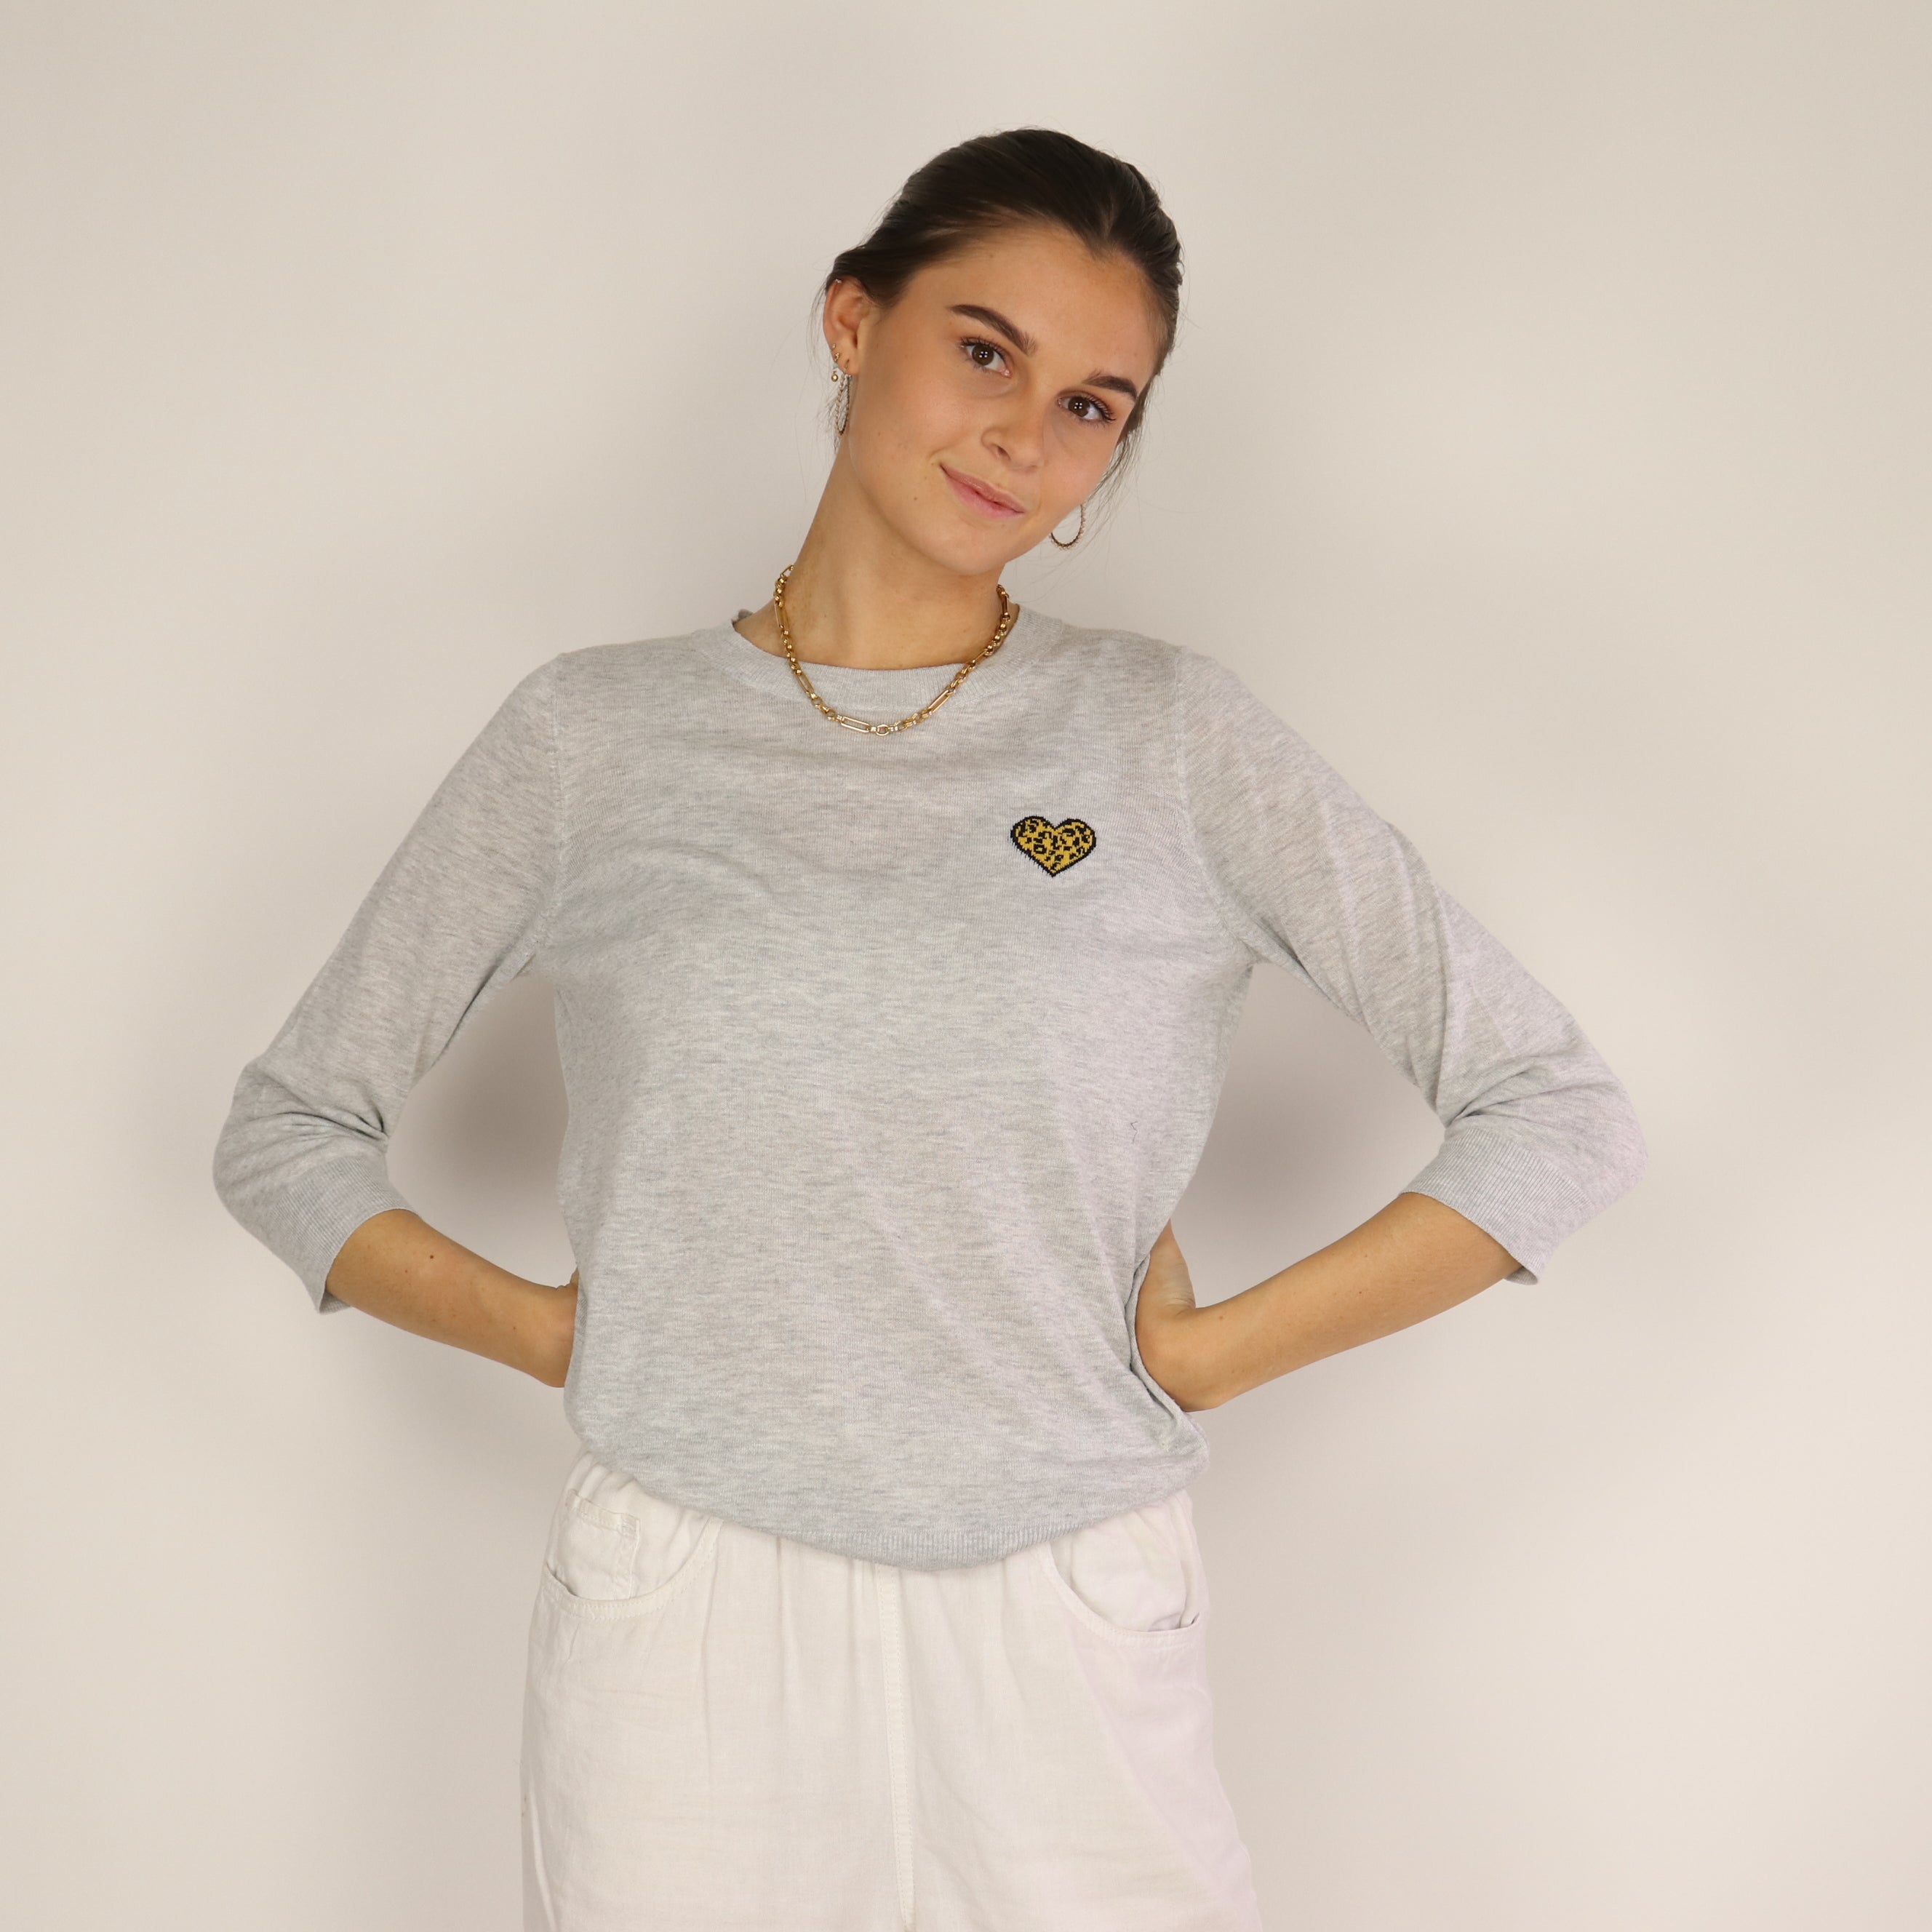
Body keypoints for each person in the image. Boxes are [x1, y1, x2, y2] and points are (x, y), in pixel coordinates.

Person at [212, 126, 1648, 1932]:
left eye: (1090, 405)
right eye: (984, 350)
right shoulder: (591, 740)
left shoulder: (1167, 736)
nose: (1021, 437)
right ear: (850, 321)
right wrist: (558, 1330)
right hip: (686, 1609)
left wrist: (1217, 1354)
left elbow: (1554, 1109)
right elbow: (287, 1129)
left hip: (1065, 1604)